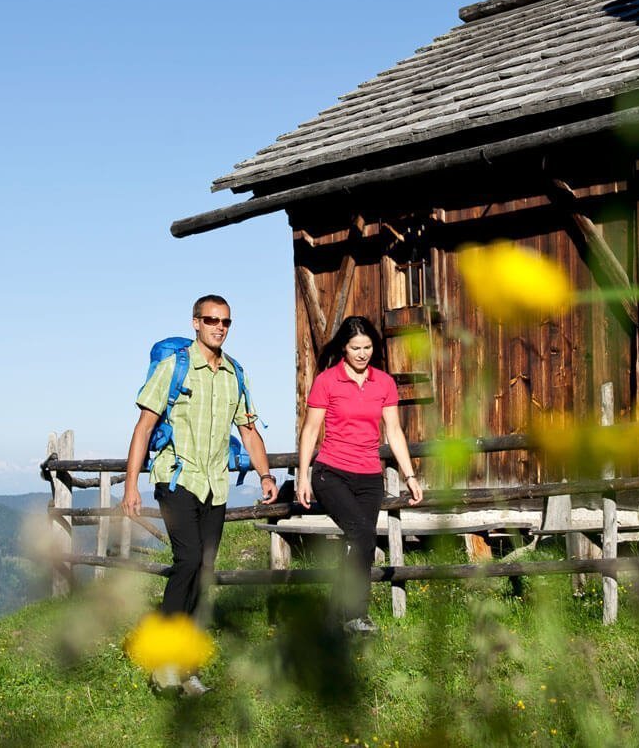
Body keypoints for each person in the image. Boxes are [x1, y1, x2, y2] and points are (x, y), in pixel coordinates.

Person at [121, 294, 276, 694]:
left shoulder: (235, 374)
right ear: (195, 323)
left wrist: (265, 475)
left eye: (225, 321)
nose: (219, 327)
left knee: (204, 574)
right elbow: (143, 426)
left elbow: (248, 431)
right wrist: (130, 485)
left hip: (215, 485)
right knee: (187, 560)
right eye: (211, 320)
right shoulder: (175, 367)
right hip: (176, 479)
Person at [294, 315, 423, 634]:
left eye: (367, 347)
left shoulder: (384, 383)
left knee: (360, 544)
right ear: (344, 348)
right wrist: (302, 476)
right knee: (364, 536)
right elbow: (310, 431)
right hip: (331, 473)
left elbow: (394, 431)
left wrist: (410, 475)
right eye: (355, 348)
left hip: (369, 477)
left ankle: (334, 615)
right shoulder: (327, 381)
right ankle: (355, 615)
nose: (362, 353)